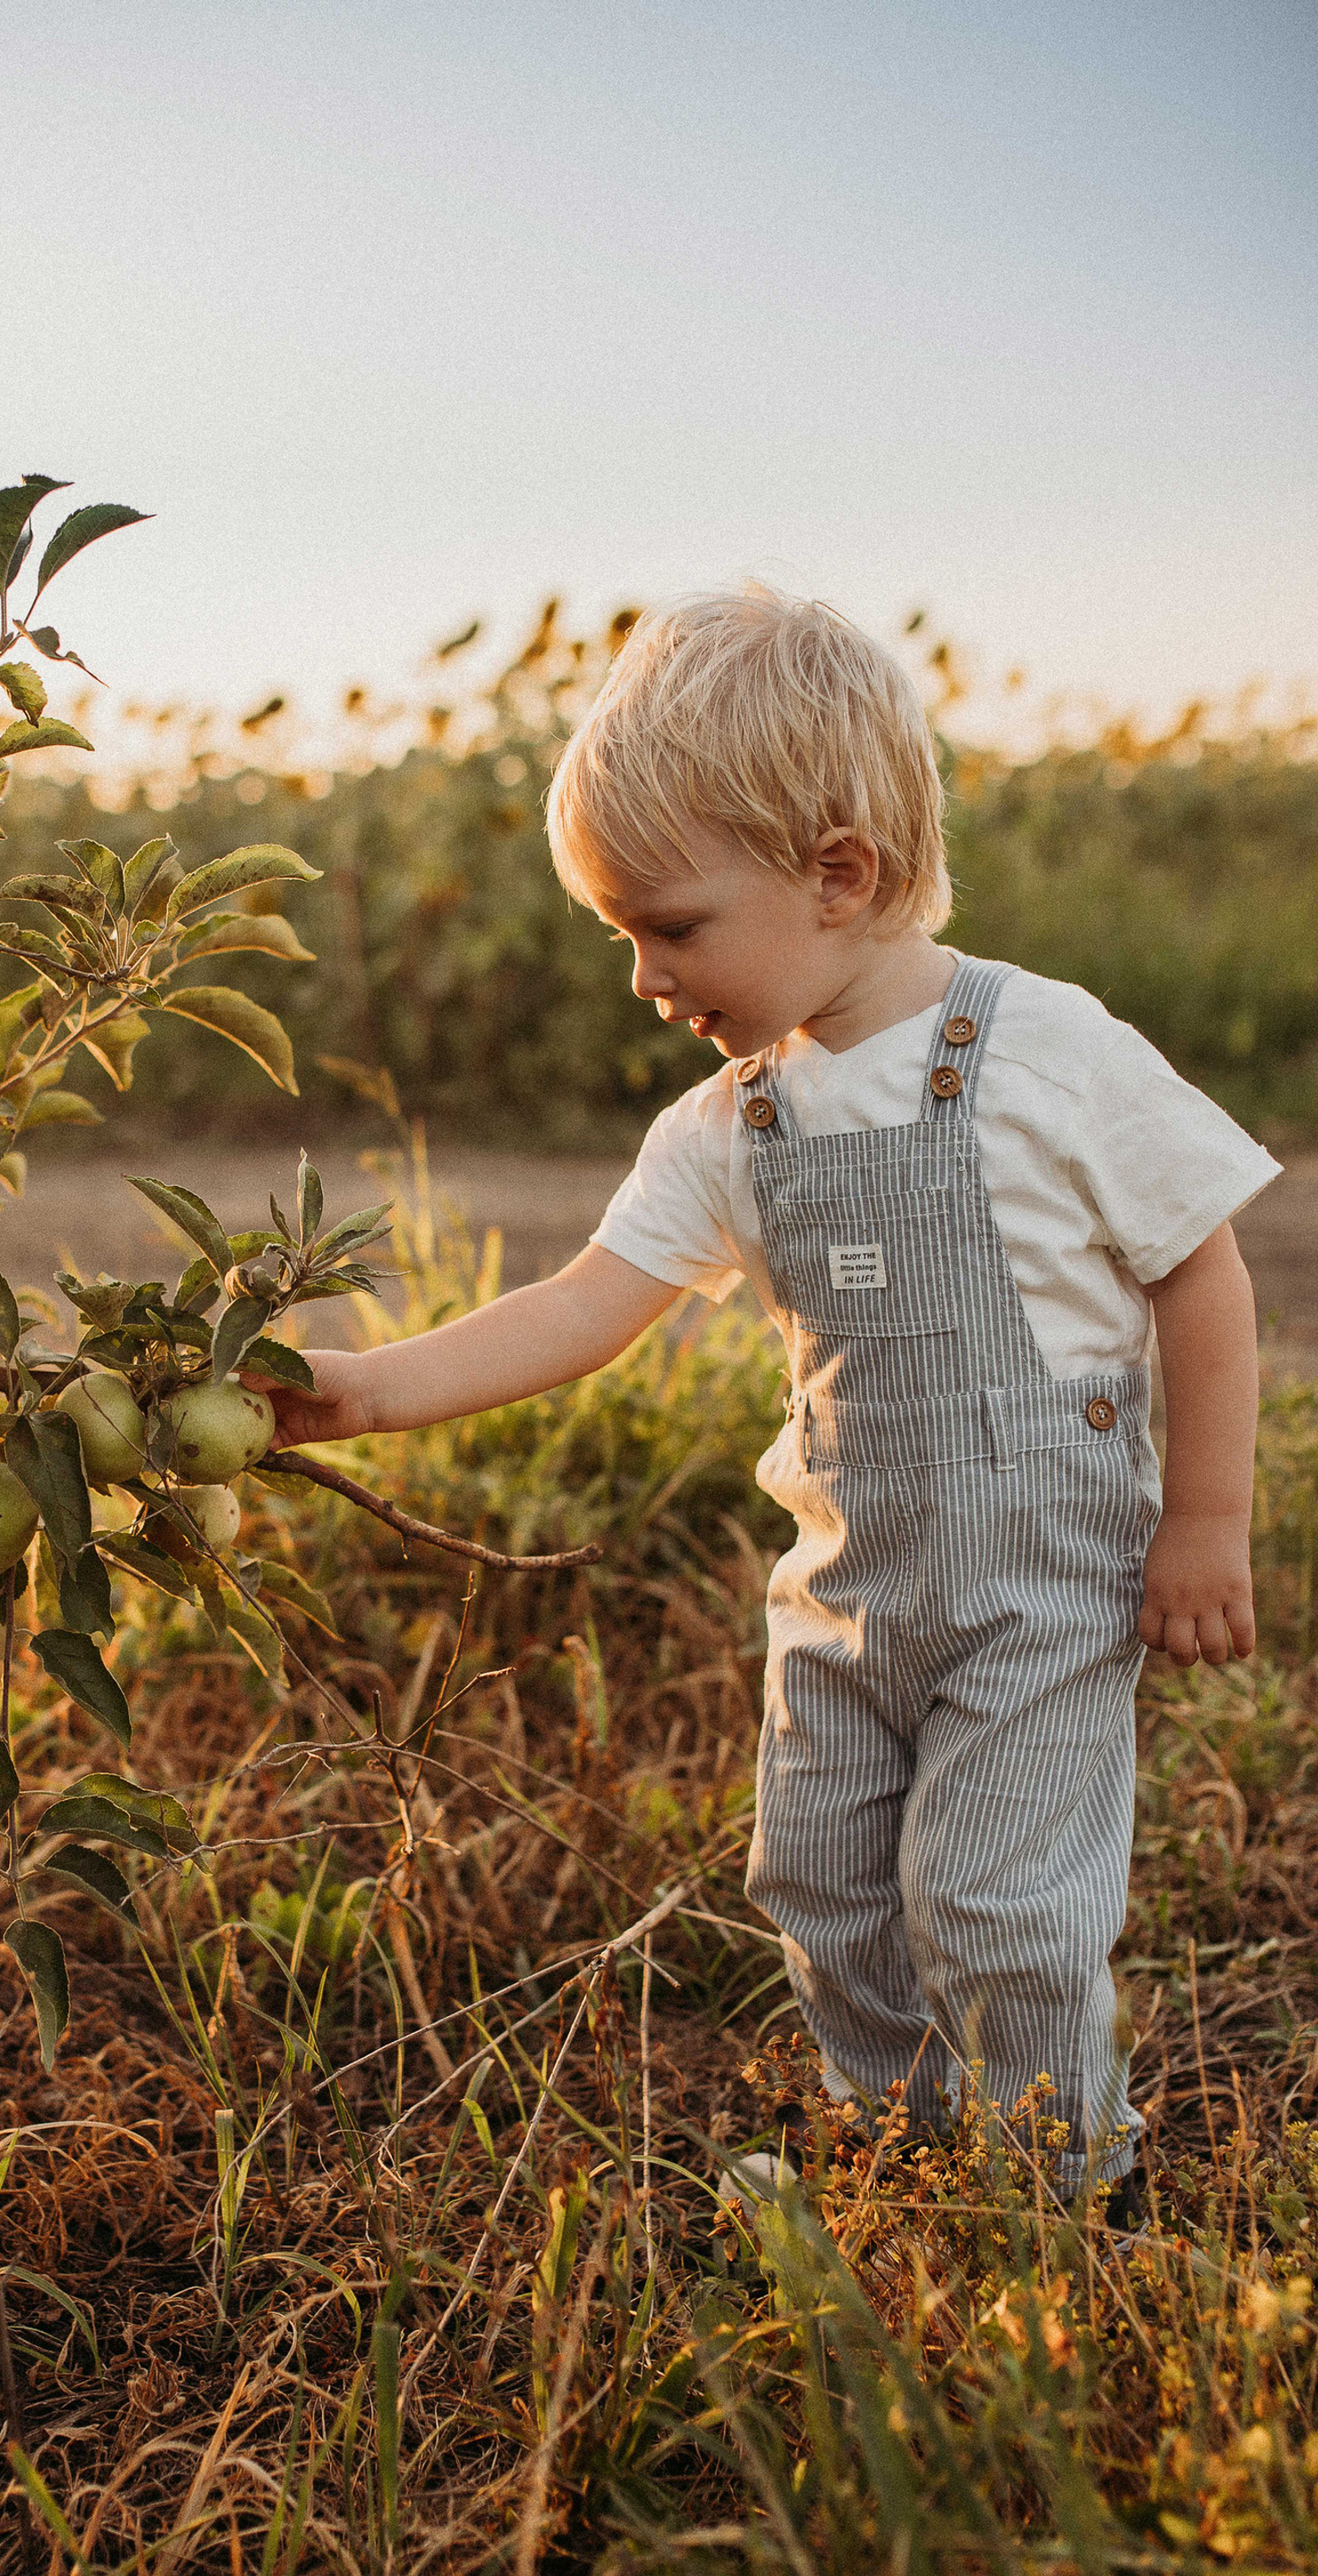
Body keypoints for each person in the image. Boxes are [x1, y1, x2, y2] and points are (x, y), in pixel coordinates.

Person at [262, 586, 1280, 2209]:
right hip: (846, 1594)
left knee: (999, 1903)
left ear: (838, 874)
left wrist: (1206, 1522)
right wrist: (363, 1389)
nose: (644, 976)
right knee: (820, 1881)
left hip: (1040, 1590)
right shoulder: (733, 1125)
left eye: (670, 928)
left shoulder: (1047, 1052)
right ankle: (900, 2147)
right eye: (624, 938)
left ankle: (1061, 2194)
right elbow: (585, 1305)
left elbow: (1200, 1269)